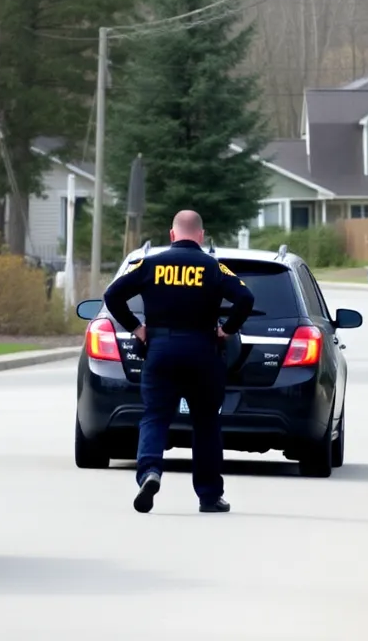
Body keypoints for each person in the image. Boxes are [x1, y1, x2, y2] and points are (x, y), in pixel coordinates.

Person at [103, 210, 255, 515]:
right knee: (206, 422)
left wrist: (137, 328)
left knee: (155, 416)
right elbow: (245, 298)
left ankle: (149, 472)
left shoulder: (150, 264)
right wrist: (226, 330)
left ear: (172, 235)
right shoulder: (213, 267)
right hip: (202, 350)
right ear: (201, 236)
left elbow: (112, 294)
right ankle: (209, 496)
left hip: (160, 349)